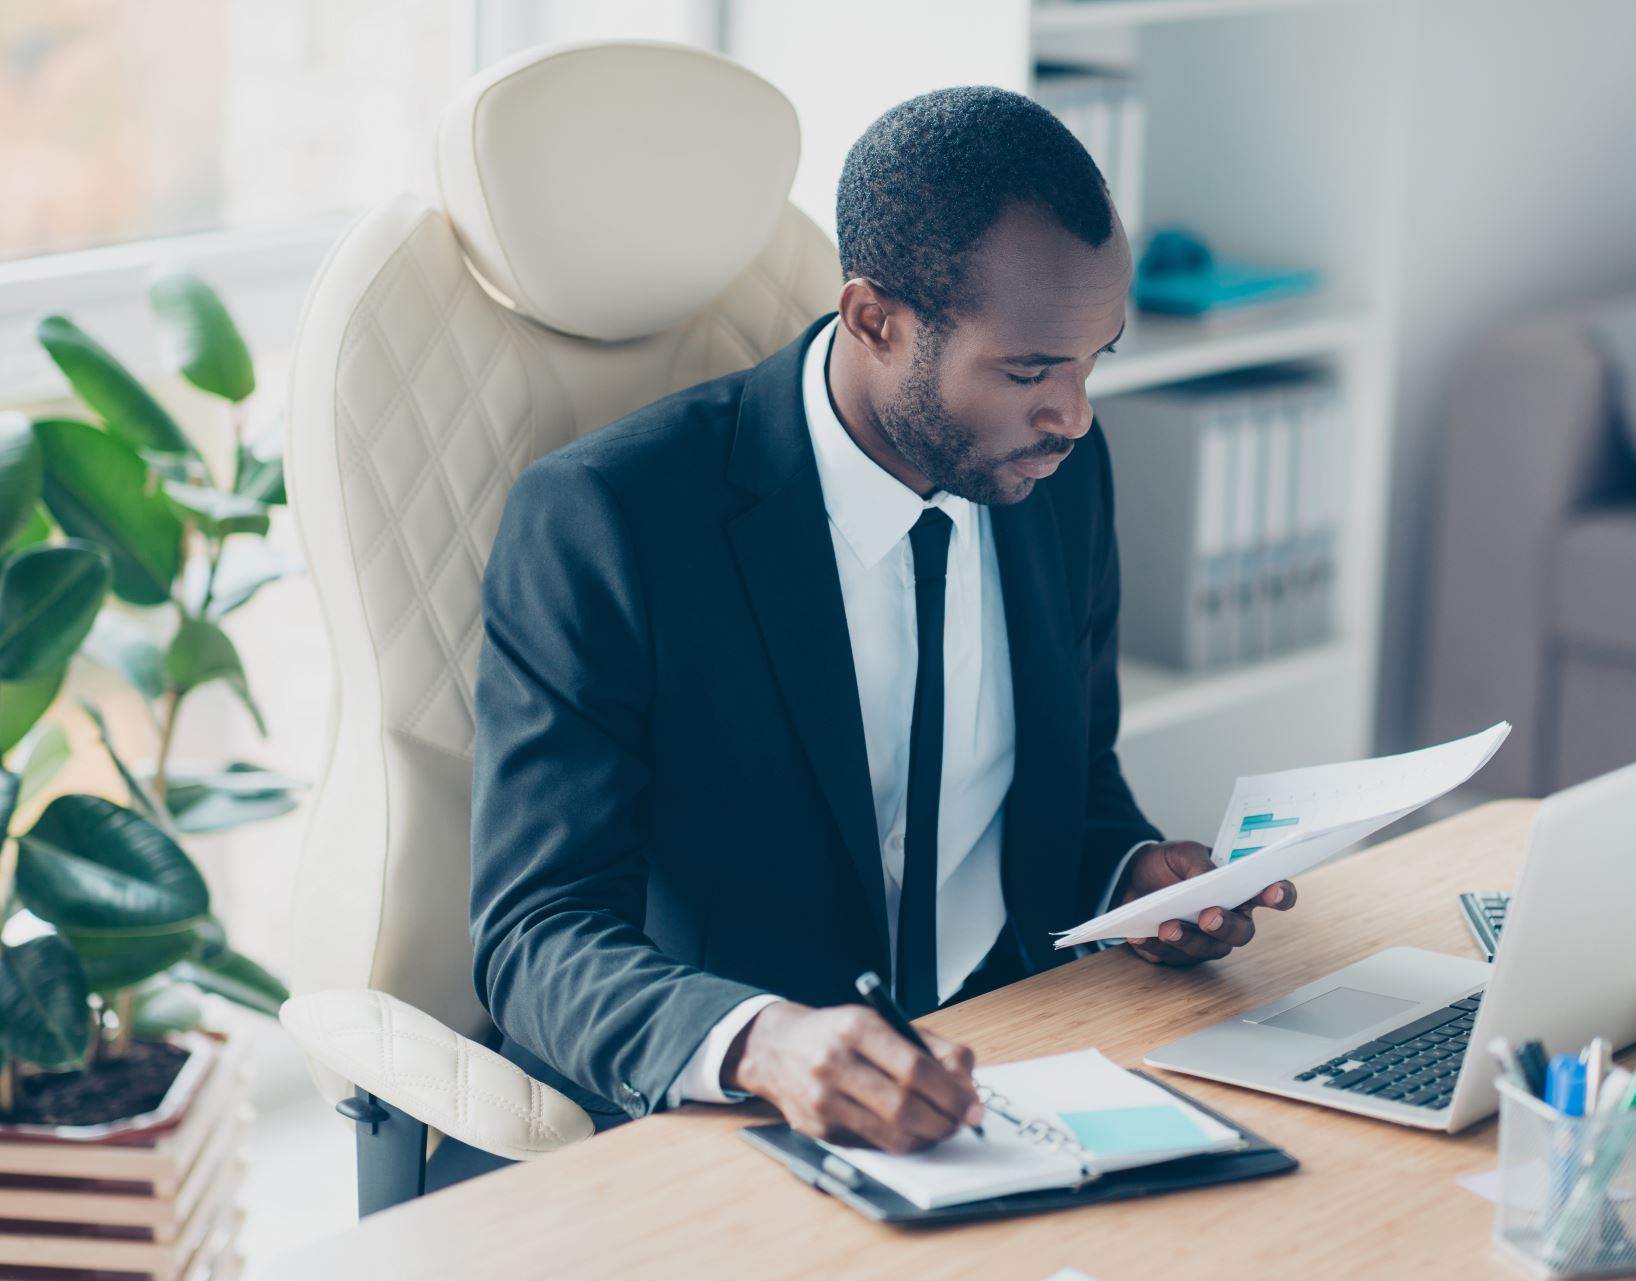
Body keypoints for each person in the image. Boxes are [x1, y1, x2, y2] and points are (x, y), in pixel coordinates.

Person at [469, 85, 1297, 1160]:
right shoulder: (606, 520)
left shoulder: (1055, 473)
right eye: (1031, 369)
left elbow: (1074, 784)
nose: (1075, 415)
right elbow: (535, 934)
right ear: (876, 320)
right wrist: (761, 1043)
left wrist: (1131, 878)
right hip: (734, 1118)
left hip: (1004, 1071)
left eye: (1097, 360)